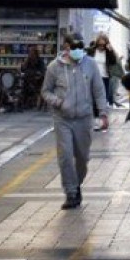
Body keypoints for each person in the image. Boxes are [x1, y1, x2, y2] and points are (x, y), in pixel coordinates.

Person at [40, 34, 109, 209]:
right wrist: (58, 102)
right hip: (62, 118)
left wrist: (103, 113)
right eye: (74, 47)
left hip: (84, 118)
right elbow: (45, 91)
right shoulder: (54, 67)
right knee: (65, 156)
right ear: (66, 48)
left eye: (81, 47)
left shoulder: (91, 64)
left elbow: (99, 90)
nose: (78, 51)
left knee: (82, 158)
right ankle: (71, 192)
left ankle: (76, 184)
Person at [88, 35, 122, 108]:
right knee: (93, 97)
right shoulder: (92, 50)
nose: (101, 47)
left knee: (104, 97)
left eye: (103, 45)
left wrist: (111, 50)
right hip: (94, 77)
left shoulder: (108, 52)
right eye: (100, 45)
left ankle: (101, 113)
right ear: (97, 44)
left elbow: (113, 62)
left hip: (105, 77)